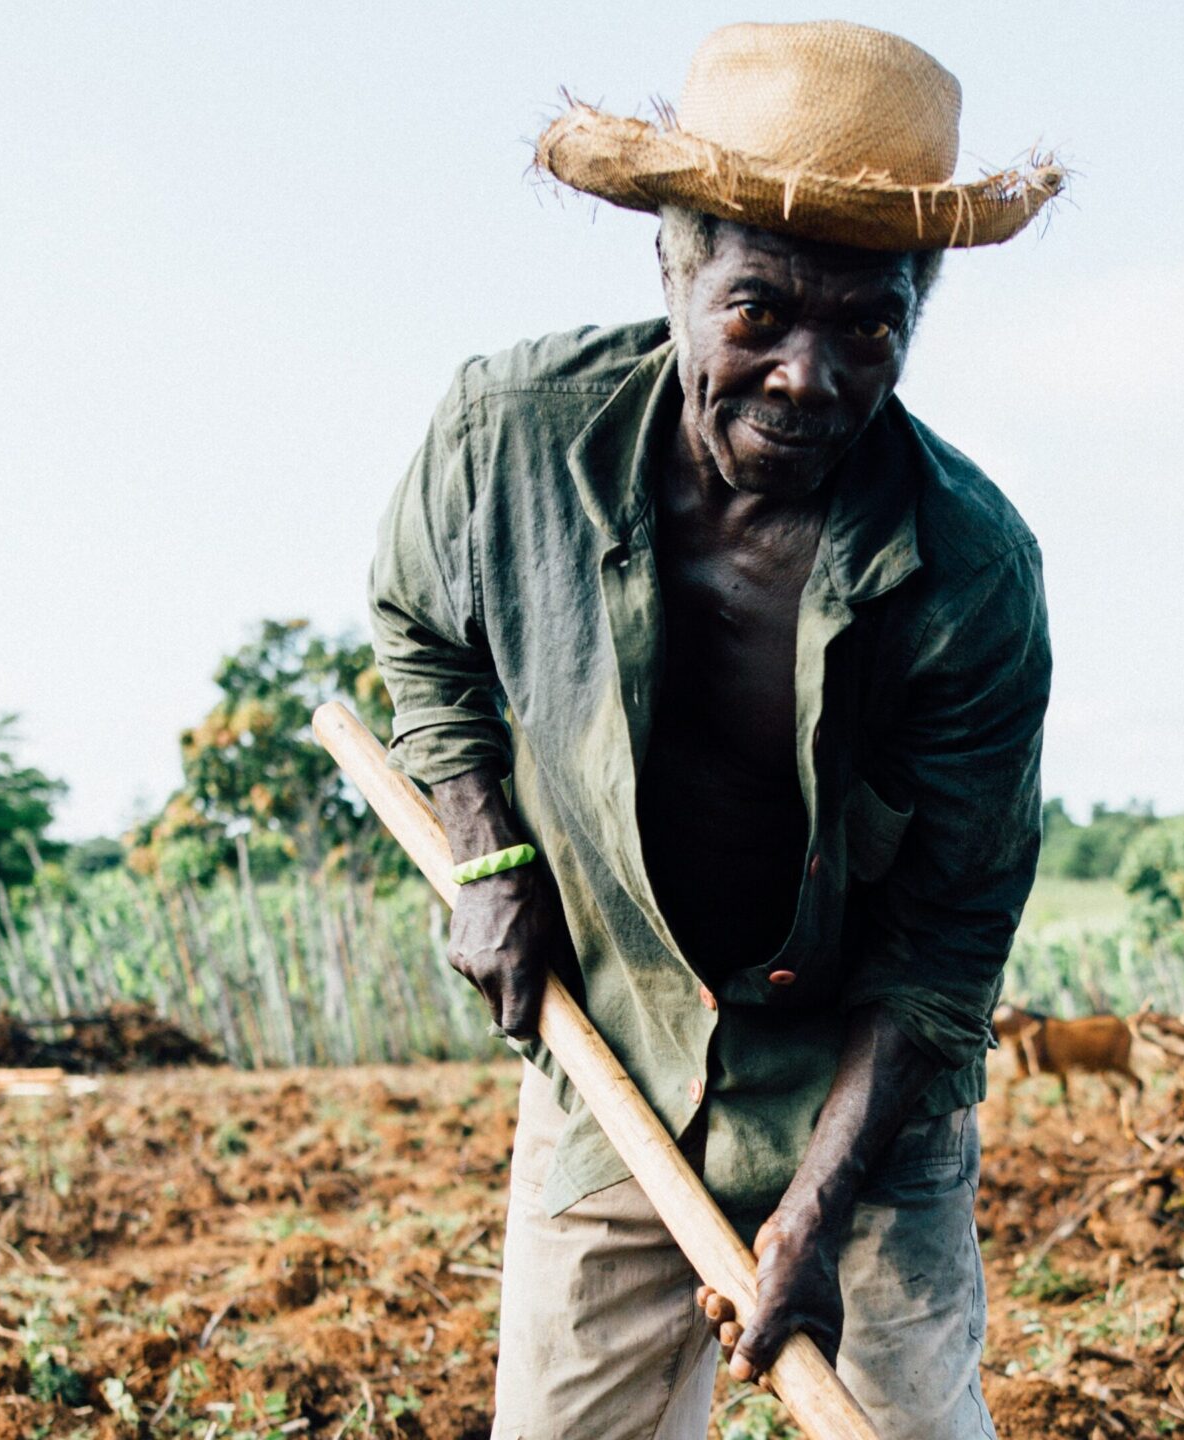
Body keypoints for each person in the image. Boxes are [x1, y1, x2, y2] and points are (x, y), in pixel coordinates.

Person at [368, 20, 1063, 1438]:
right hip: (617, 1049)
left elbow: (943, 953)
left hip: (865, 1099)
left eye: (868, 325)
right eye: (760, 313)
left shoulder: (972, 577)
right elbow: (419, 629)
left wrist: (815, 1212)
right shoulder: (508, 443)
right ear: (674, 274)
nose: (811, 376)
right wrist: (487, 856)